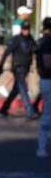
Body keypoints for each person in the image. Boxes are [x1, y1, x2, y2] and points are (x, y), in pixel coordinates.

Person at [0, 20, 38, 118]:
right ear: (21, 29)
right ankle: (29, 110)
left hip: (25, 68)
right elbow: (7, 52)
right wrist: (0, 66)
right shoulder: (16, 39)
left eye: (27, 29)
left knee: (16, 90)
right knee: (23, 88)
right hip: (18, 68)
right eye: (24, 29)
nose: (26, 31)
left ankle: (4, 108)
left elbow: (35, 49)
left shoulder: (30, 39)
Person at [0, 5, 33, 96]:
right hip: (20, 50)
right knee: (20, 69)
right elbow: (20, 37)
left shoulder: (19, 23)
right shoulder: (19, 24)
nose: (28, 15)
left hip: (21, 49)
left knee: (21, 70)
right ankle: (6, 86)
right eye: (26, 13)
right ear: (22, 14)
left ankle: (24, 89)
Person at [35, 17, 51, 157]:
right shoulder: (47, 42)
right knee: (47, 115)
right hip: (48, 80)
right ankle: (42, 147)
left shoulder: (44, 41)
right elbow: (47, 63)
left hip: (46, 80)